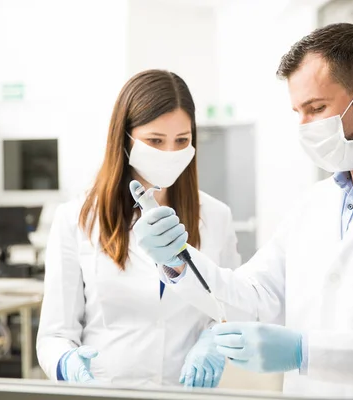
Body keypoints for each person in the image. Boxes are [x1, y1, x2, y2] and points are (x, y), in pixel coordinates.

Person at [132, 24, 353, 399]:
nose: (305, 127)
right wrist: (178, 262)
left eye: (317, 108)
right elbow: (253, 297)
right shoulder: (313, 204)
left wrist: (304, 353)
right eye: (298, 112)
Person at [36, 69, 241, 388]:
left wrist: (214, 340)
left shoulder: (215, 216)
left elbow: (233, 308)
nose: (170, 153)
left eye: (182, 140)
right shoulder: (76, 218)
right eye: (155, 140)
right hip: (105, 390)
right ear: (125, 138)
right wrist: (67, 364)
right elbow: (54, 335)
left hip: (185, 392)